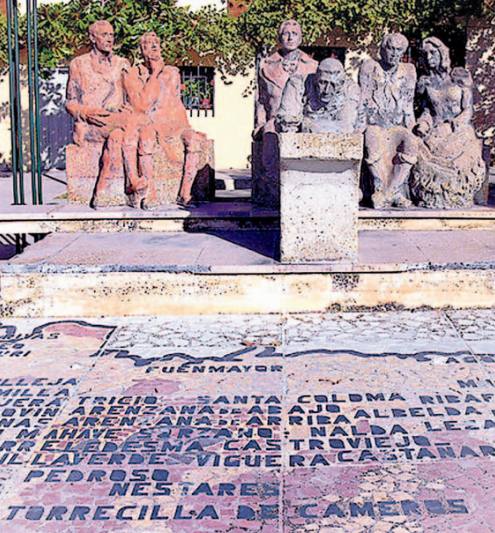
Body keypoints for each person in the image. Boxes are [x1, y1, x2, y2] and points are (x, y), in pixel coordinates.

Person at [122, 32, 208, 208]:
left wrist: (187, 127)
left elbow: (177, 102)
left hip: (174, 124)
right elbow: (142, 105)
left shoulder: (172, 72)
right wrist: (154, 74)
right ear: (141, 50)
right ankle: (150, 192)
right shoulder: (133, 74)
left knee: (193, 140)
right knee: (146, 140)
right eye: (148, 44)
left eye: (156, 43)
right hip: (149, 124)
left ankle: (185, 193)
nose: (154, 47)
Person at [410, 37, 485, 208]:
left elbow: (468, 109)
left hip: (458, 130)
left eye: (433, 52)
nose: (429, 57)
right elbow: (427, 110)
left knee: (456, 156)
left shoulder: (459, 76)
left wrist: (453, 125)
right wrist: (423, 123)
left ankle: (456, 196)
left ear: (442, 53)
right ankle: (432, 197)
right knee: (418, 149)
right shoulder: (425, 82)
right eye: (425, 54)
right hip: (434, 131)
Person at [252, 19, 318, 207]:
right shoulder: (266, 66)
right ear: (279, 37)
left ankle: (307, 187)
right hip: (275, 119)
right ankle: (274, 189)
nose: (290, 37)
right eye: (286, 33)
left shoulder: (312, 66)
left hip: (302, 118)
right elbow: (262, 100)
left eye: (294, 33)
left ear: (301, 37)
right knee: (270, 134)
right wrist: (260, 123)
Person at [66, 20, 131, 208]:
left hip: (117, 120)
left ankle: (106, 191)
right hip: (92, 124)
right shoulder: (78, 64)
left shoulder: (122, 64)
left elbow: (131, 96)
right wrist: (85, 112)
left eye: (111, 35)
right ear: (93, 38)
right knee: (120, 132)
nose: (110, 39)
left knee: (122, 132)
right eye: (105, 35)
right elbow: (70, 102)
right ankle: (106, 191)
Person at [359, 33, 418, 208]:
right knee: (372, 138)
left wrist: (414, 129)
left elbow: (408, 103)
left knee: (411, 142)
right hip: (374, 123)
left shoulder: (409, 71)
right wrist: (360, 126)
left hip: (397, 125)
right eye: (390, 48)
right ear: (382, 49)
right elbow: (363, 99)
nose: (394, 53)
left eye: (398, 50)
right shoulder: (369, 66)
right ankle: (379, 188)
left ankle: (393, 191)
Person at [276, 58, 365, 134]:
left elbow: (347, 128)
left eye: (333, 85)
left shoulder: (350, 89)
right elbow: (287, 123)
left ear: (341, 84)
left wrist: (307, 124)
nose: (326, 91)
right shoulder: (297, 83)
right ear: (315, 79)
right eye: (322, 83)